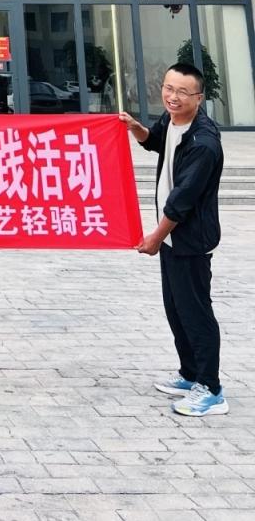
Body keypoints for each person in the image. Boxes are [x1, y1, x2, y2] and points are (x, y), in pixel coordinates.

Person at [120, 62, 227, 417]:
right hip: (171, 238)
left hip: (190, 241)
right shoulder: (172, 119)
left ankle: (211, 388)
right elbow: (154, 142)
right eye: (169, 88)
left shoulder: (204, 144)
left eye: (182, 92)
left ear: (199, 97)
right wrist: (136, 128)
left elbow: (182, 201)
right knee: (175, 308)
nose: (173, 96)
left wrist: (155, 237)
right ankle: (190, 373)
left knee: (196, 313)